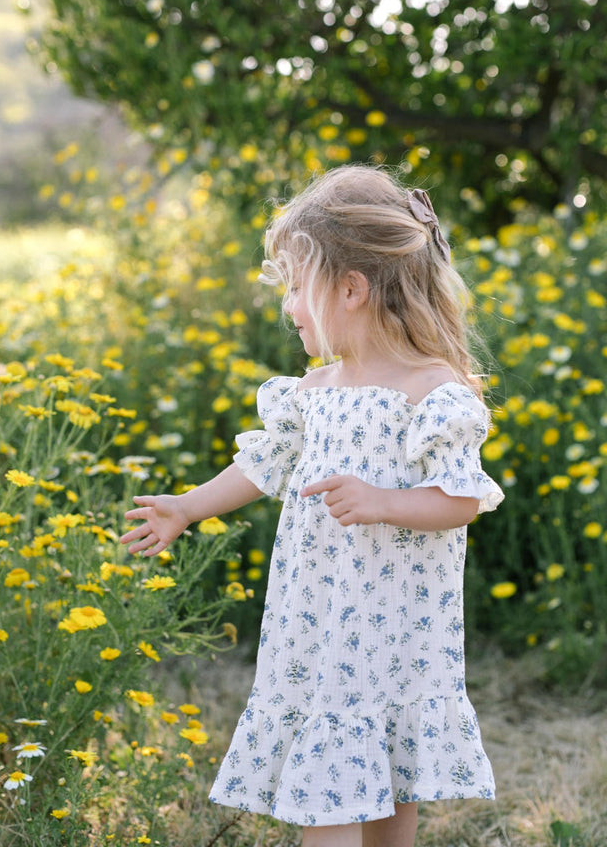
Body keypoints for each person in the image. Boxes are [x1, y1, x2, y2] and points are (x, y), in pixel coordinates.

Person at [121, 165, 504, 847]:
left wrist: (384, 501)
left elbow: (461, 500)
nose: (288, 305)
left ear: (351, 289)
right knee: (333, 767)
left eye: (297, 285)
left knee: (388, 777)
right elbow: (261, 465)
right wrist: (187, 507)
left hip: (395, 630)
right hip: (319, 619)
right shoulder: (314, 390)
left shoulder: (431, 389)